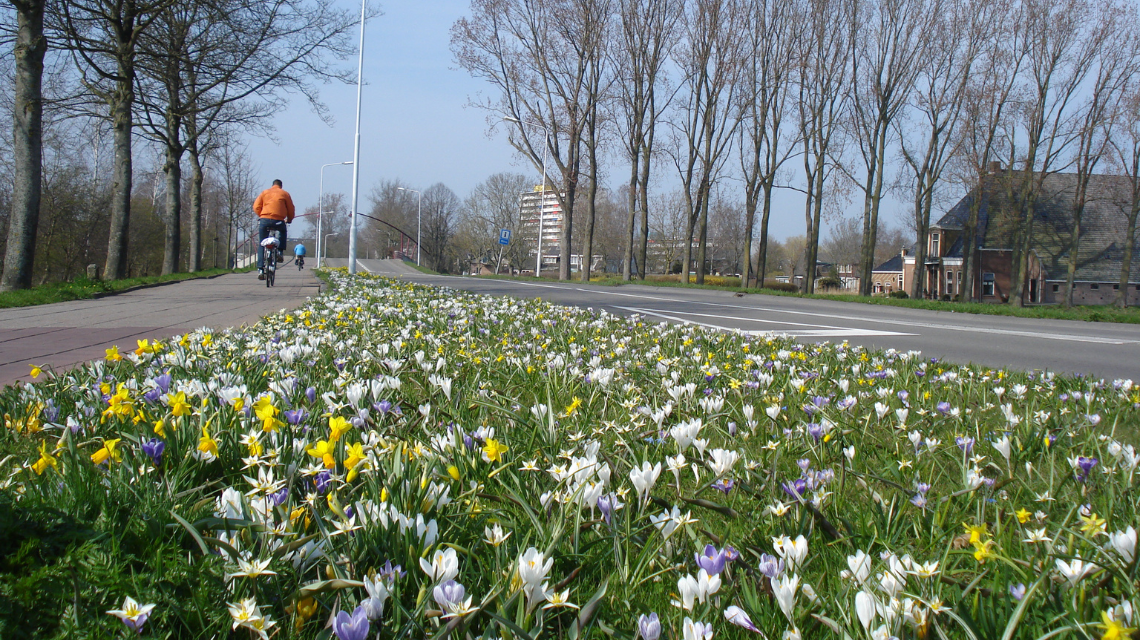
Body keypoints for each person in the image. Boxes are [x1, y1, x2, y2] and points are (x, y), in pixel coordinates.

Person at [253, 179, 296, 279]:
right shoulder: (285, 194)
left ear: (272, 185)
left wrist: (262, 215)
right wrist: (289, 219)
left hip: (264, 220)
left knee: (261, 243)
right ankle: (280, 252)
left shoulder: (264, 192)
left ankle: (260, 268)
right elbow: (291, 209)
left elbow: (256, 206)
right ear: (281, 186)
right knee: (282, 231)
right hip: (278, 220)